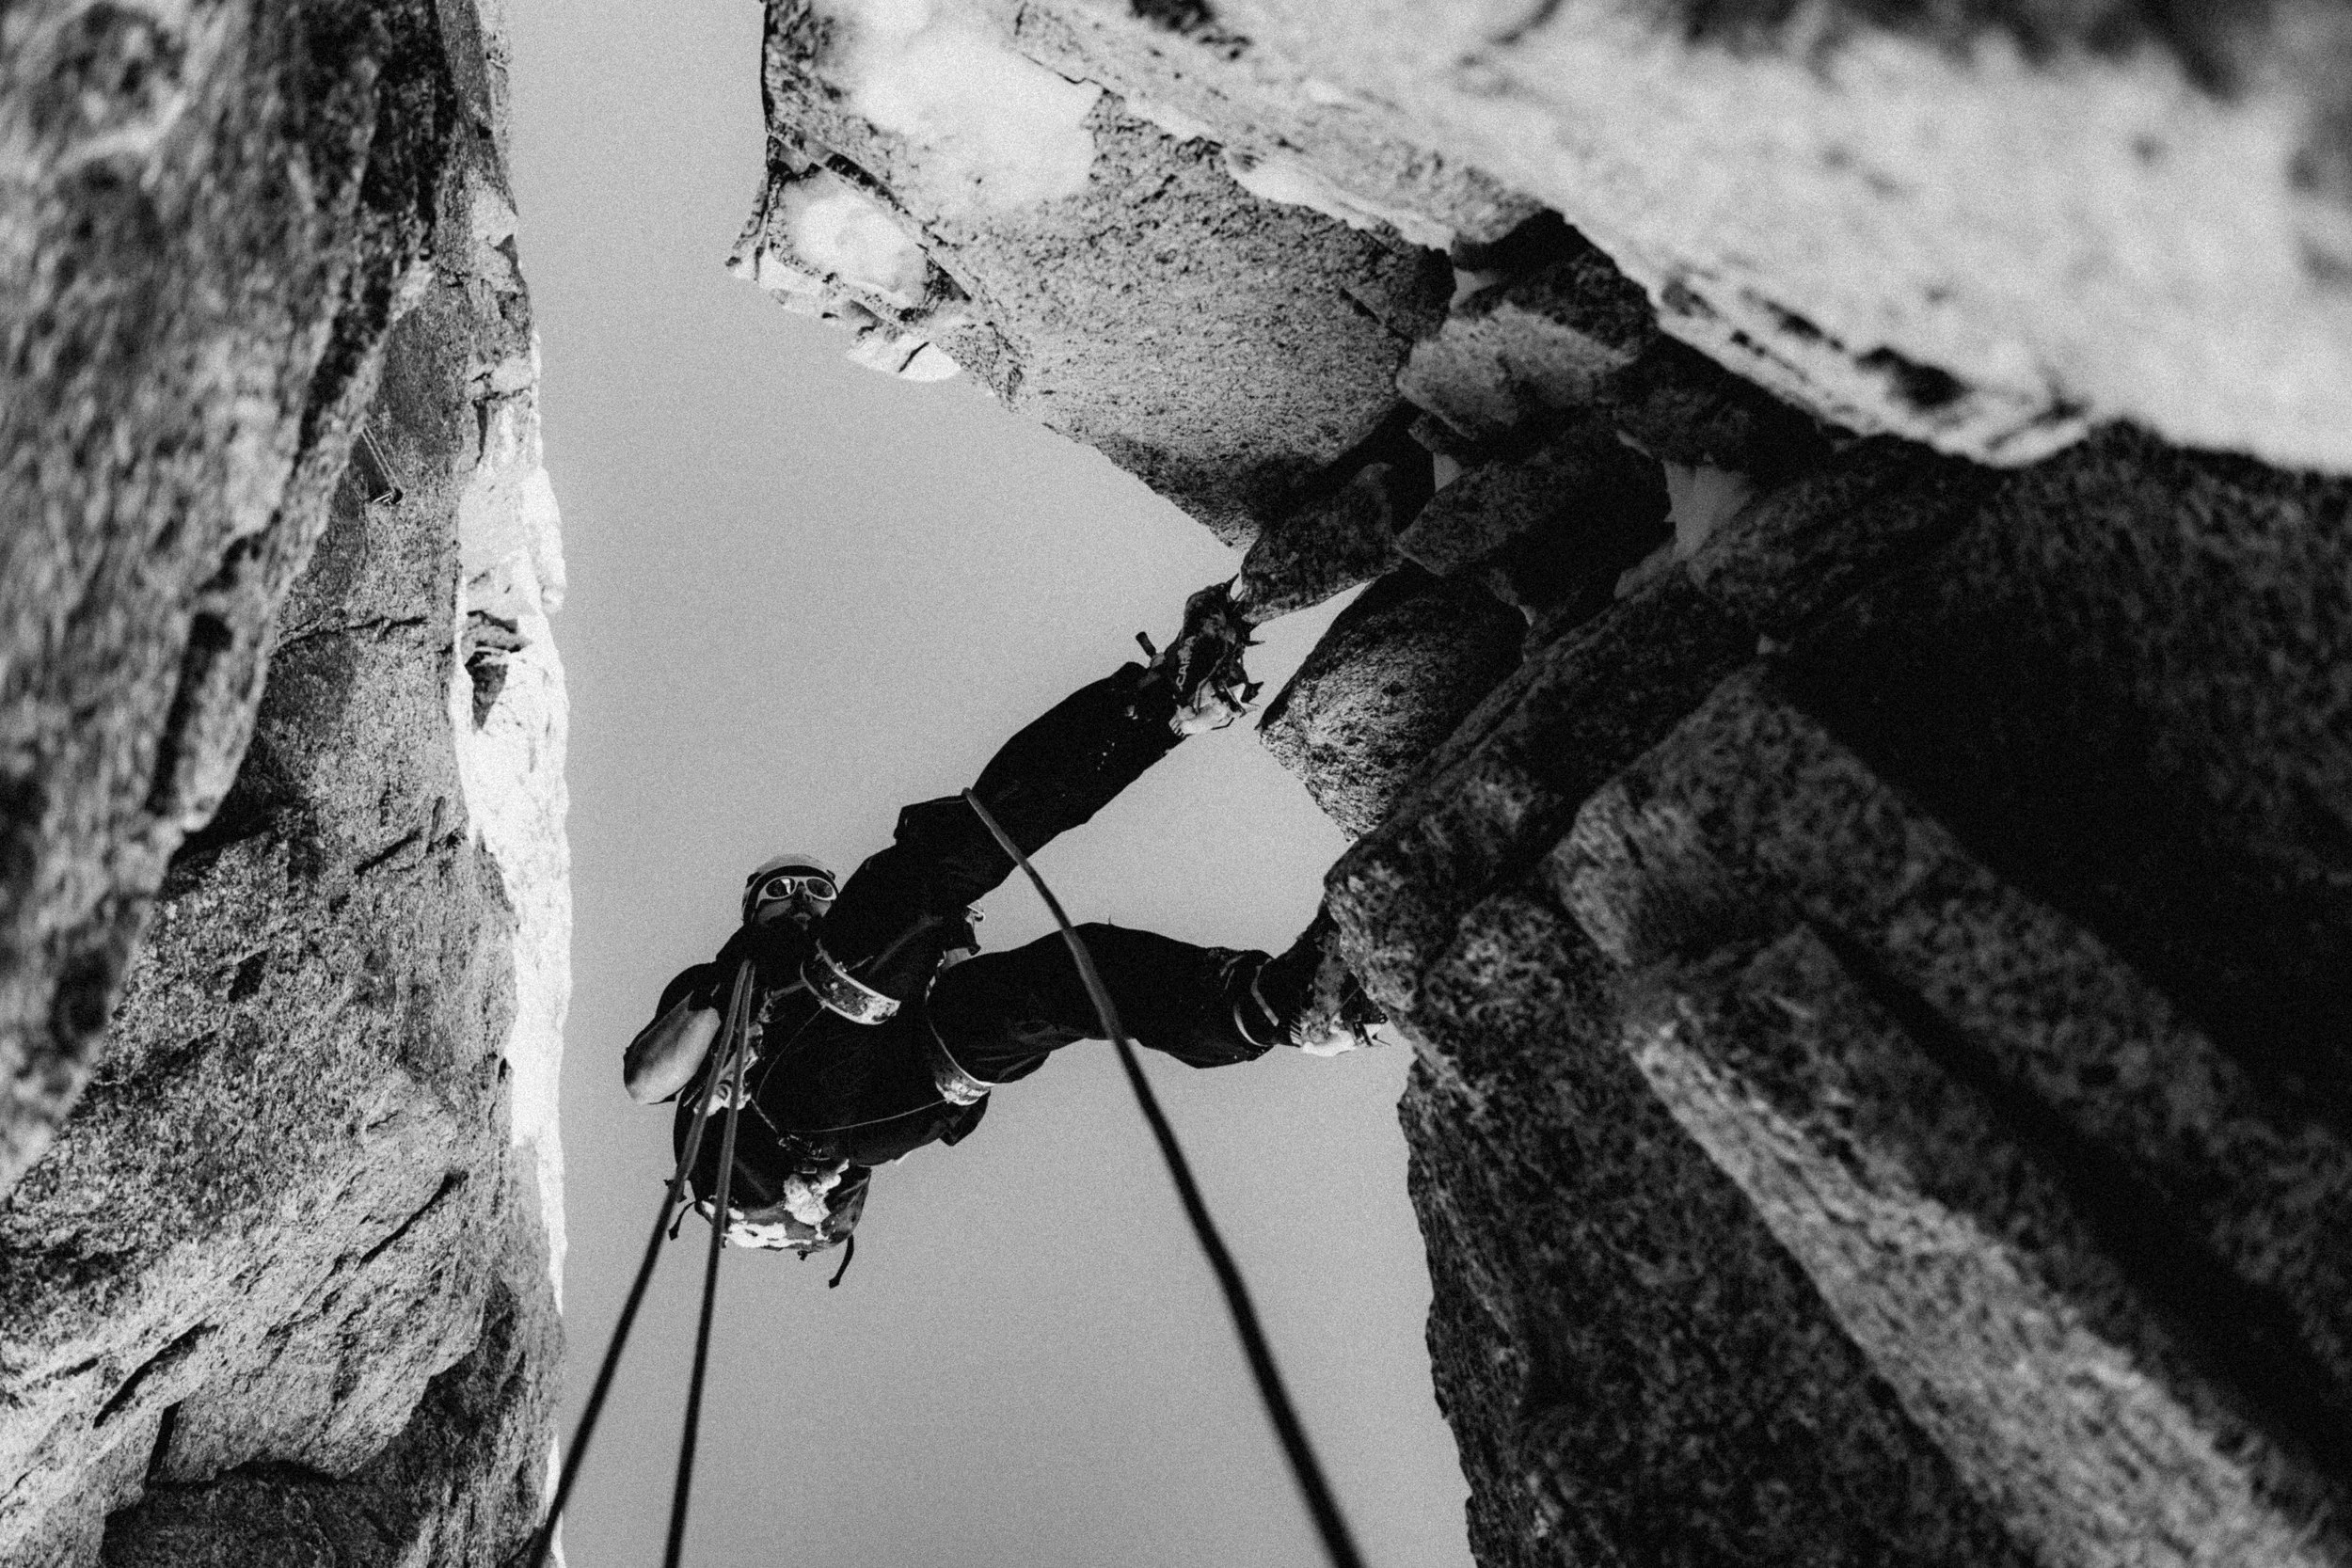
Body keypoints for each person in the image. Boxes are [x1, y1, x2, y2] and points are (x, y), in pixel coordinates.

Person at [623, 583, 1381, 1261]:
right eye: (779, 891)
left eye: (813, 886)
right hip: (802, 1105)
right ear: (752, 910)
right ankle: (1165, 705)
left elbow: (943, 991)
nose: (798, 897)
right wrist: (723, 985)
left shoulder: (827, 942)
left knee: (1062, 974)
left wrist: (946, 954)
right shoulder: (726, 978)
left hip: (884, 1085)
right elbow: (645, 1079)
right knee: (925, 872)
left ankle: (1281, 1007)